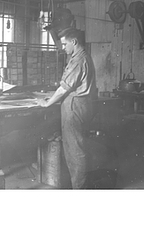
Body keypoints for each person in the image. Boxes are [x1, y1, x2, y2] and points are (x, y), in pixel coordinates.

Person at [38, 28, 97, 189]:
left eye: (65, 44)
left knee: (74, 150)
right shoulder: (81, 57)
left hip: (75, 107)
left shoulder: (78, 60)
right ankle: (78, 185)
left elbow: (64, 88)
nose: (63, 47)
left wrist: (47, 103)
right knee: (76, 147)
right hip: (80, 105)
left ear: (74, 42)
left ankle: (79, 189)